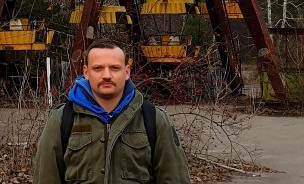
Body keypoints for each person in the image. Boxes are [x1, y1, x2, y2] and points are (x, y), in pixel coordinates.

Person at [33, 39, 191, 184]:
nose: (106, 75)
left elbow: (175, 178)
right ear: (86, 72)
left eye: (114, 68)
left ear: (127, 72)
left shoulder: (153, 119)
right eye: (98, 68)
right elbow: (46, 178)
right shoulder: (62, 119)